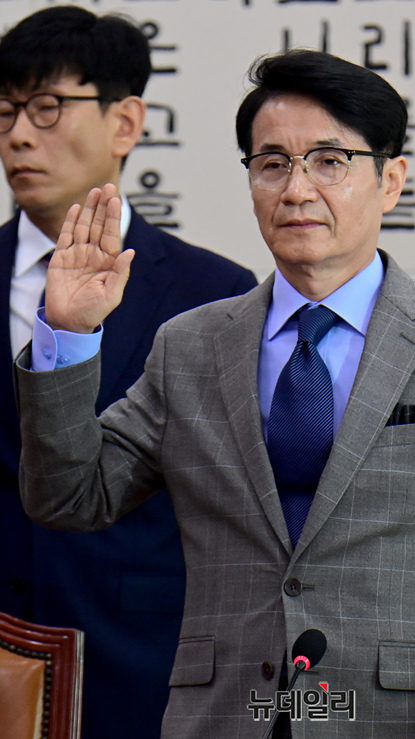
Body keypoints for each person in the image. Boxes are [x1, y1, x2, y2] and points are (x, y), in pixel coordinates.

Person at [15, 50, 415, 738]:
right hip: (226, 717)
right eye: (273, 163)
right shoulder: (190, 346)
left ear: (390, 180)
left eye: (330, 161)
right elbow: (70, 497)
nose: (297, 188)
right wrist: (68, 332)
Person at [0, 7, 256, 739]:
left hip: (141, 651)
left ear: (126, 122)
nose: (19, 135)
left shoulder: (215, 292)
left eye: (48, 106)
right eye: (6, 111)